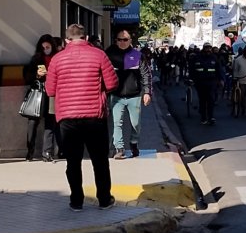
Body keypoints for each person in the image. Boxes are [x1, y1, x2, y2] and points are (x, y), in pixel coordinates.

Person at [45, 24, 118, 212]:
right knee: (100, 161)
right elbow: (112, 83)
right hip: (95, 117)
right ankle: (104, 199)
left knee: (73, 162)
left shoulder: (57, 59)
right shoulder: (99, 55)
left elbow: (50, 90)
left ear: (67, 40)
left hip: (67, 119)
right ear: (85, 38)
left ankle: (76, 201)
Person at [105, 29, 152, 159]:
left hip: (135, 95)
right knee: (117, 123)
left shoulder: (137, 55)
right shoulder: (109, 54)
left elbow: (146, 74)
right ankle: (119, 148)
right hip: (116, 95)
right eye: (120, 39)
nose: (122, 42)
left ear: (130, 41)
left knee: (135, 124)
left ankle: (134, 143)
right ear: (116, 40)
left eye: (125, 39)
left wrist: (147, 92)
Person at [23, 34, 59, 162]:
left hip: (52, 93)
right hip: (38, 93)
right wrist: (37, 75)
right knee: (32, 122)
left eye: (48, 47)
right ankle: (30, 151)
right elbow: (27, 76)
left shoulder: (57, 58)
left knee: (50, 122)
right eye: (43, 47)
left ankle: (47, 152)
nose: (45, 49)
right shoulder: (36, 59)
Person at [191, 42, 224, 125]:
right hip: (200, 82)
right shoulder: (197, 58)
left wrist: (221, 80)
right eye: (206, 48)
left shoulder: (214, 58)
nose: (208, 50)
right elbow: (192, 69)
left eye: (209, 48)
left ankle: (211, 117)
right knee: (202, 100)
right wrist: (191, 79)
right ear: (203, 48)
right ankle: (203, 117)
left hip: (211, 82)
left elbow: (219, 69)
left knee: (211, 100)